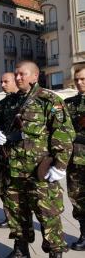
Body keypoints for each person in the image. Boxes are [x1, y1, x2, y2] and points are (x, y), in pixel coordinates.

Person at [0, 60, 75, 257]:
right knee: (16, 213)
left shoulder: (48, 100)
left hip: (39, 171)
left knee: (48, 215)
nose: (18, 77)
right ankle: (21, 250)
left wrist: (60, 165)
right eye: (16, 74)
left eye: (22, 74)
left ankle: (55, 252)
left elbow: (64, 133)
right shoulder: (7, 102)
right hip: (12, 170)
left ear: (35, 76)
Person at [0, 72, 19, 229]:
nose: (2, 84)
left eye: (5, 81)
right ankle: (9, 216)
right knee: (3, 188)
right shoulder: (3, 103)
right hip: (4, 154)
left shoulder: (25, 101)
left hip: (21, 155)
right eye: (1, 81)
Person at [64, 67, 85, 251]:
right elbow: (63, 130)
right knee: (77, 198)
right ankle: (84, 234)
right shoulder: (68, 103)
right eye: (77, 79)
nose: (79, 82)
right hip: (75, 160)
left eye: (83, 79)